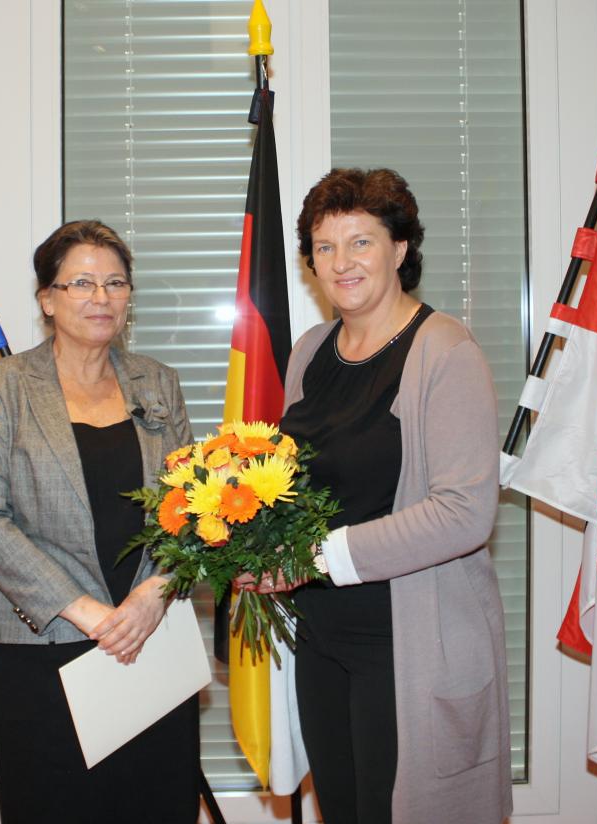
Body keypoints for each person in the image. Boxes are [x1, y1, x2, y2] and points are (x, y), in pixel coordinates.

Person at [252, 169, 512, 824]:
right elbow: (293, 482)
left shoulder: (445, 351)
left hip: (407, 643)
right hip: (320, 638)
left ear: (400, 250)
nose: (342, 262)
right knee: (340, 811)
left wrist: (315, 556)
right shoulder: (310, 352)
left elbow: (464, 514)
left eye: (361, 242)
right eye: (325, 246)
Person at [0, 220, 200, 823]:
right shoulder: (2, 388)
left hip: (149, 639)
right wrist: (86, 612)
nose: (102, 297)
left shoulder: (159, 383)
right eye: (83, 283)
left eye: (115, 282)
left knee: (157, 805)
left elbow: (196, 508)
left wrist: (153, 593)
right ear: (47, 299)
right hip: (43, 648)